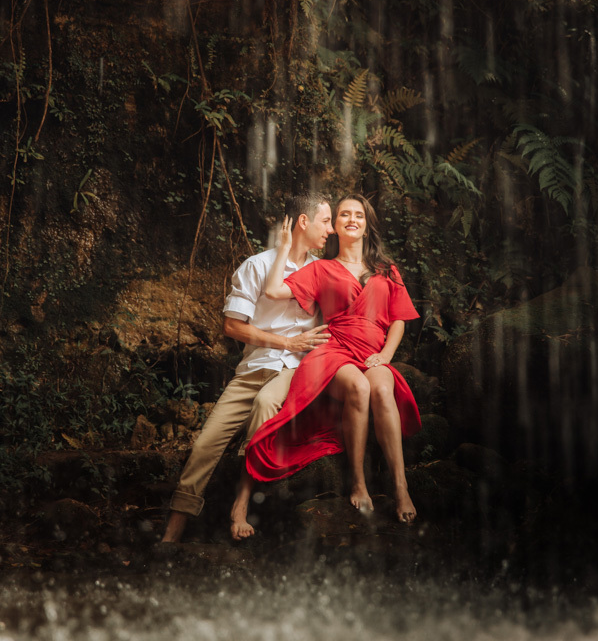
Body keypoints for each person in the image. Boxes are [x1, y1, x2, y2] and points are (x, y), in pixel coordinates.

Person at [161, 193, 334, 543]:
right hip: (253, 368)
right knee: (205, 445)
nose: (330, 230)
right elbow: (232, 326)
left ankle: (240, 506)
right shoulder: (256, 266)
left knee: (265, 404)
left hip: (293, 370)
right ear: (303, 221)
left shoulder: (322, 271)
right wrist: (287, 342)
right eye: (326, 221)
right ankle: (171, 533)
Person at [245, 194, 421, 523]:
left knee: (383, 390)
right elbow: (273, 290)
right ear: (335, 227)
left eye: (359, 215)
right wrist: (284, 247)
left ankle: (401, 488)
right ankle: (358, 482)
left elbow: (398, 319)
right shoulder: (321, 268)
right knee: (359, 388)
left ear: (367, 225)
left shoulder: (387, 269)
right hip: (335, 350)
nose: (352, 219)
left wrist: (385, 355)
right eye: (344, 215)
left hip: (374, 352)